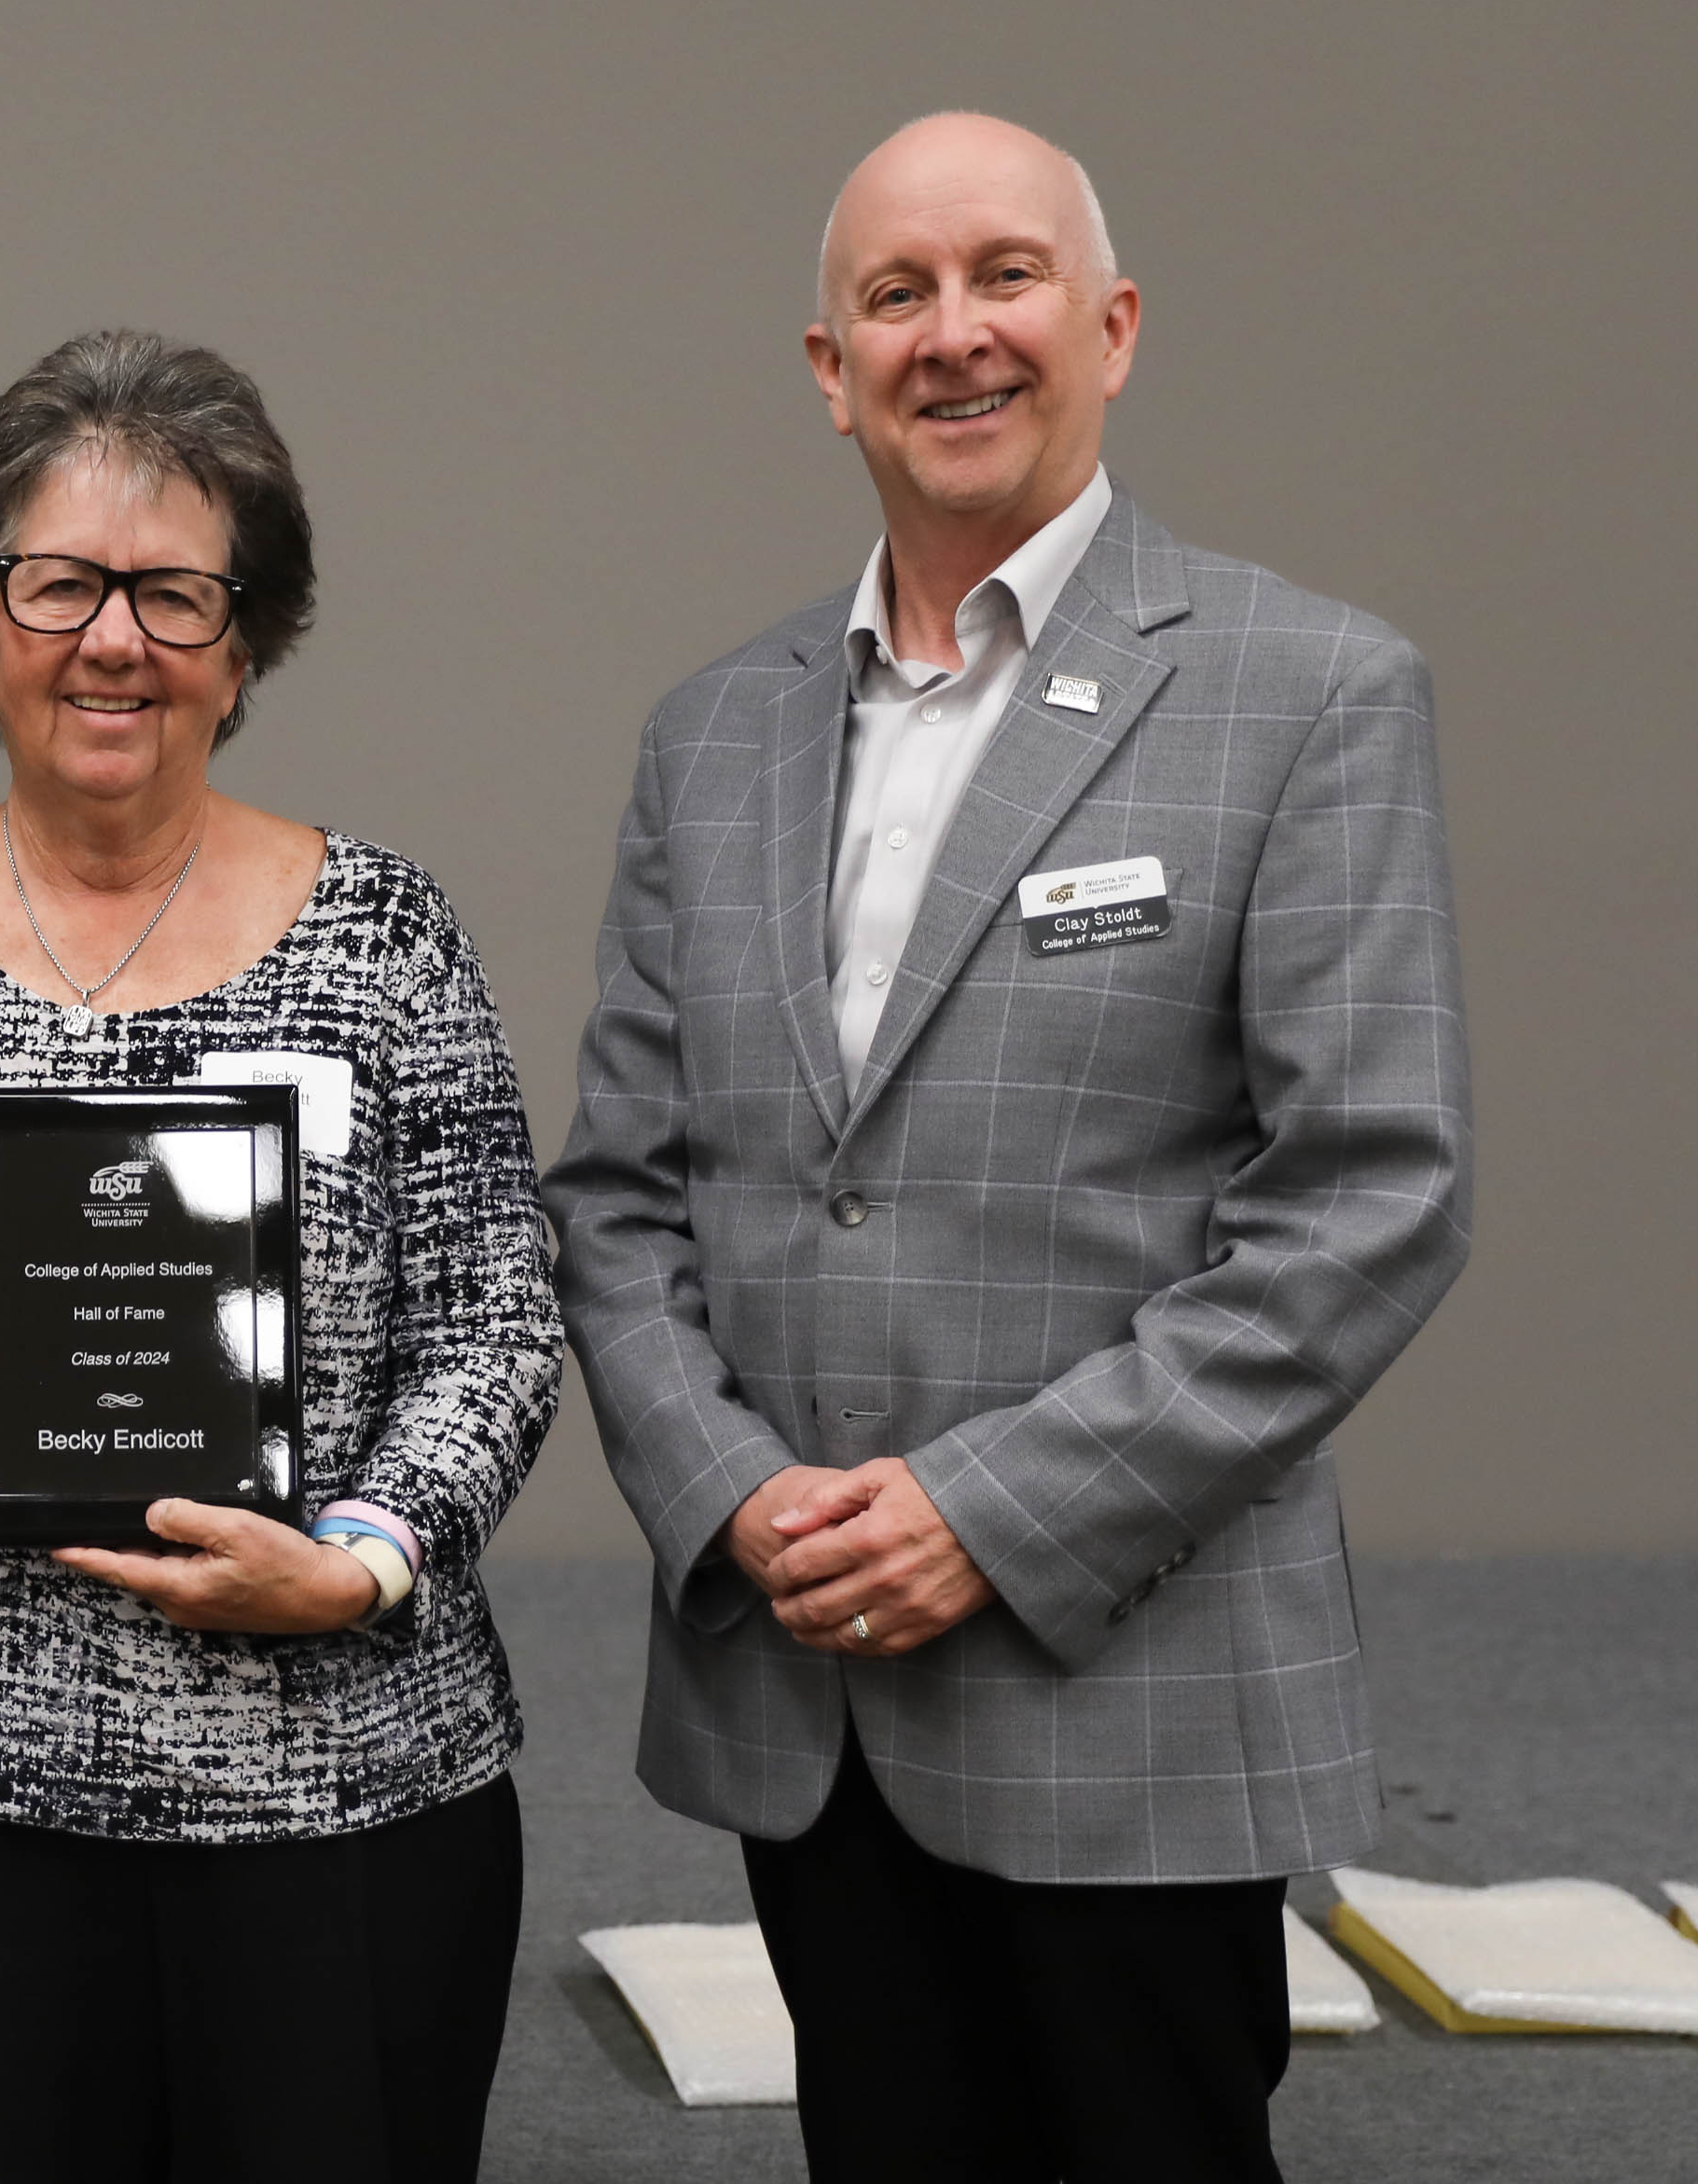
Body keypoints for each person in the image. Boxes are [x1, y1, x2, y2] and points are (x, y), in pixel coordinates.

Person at [545, 113, 1473, 2182]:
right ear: (830, 368)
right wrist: (730, 1494)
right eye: (897, 295)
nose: (952, 334)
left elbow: (1369, 1200)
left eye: (1005, 277)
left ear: (1114, 327)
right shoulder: (714, 735)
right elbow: (616, 1198)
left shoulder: (1305, 693)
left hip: (1123, 1690)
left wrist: (986, 1514)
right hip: (806, 1689)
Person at [0, 329, 561, 2184]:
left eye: (176, 595)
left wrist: (357, 1559)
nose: (115, 640)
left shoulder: (387, 937)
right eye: (60, 585)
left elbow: (496, 1322)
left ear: (242, 650)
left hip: (342, 1798)